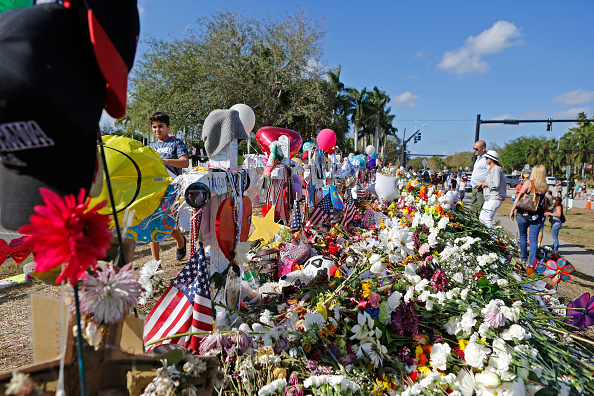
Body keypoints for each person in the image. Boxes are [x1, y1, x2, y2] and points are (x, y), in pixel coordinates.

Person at [148, 111, 189, 261]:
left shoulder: (176, 143)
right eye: (154, 127)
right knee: (153, 222)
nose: (157, 130)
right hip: (153, 188)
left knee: (169, 221)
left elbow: (185, 162)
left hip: (173, 187)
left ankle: (180, 241)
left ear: (168, 127)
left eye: (161, 126)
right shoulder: (149, 146)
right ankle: (156, 263)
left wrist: (164, 161)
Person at [510, 164, 549, 269]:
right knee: (533, 240)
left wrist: (513, 209)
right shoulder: (545, 185)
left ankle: (523, 259)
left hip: (523, 214)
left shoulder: (528, 183)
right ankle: (532, 263)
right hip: (537, 216)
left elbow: (519, 197)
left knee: (523, 236)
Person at [475, 150, 506, 228]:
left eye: (487, 158)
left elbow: (496, 184)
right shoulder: (490, 169)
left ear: (491, 159)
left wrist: (484, 184)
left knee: (487, 219)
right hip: (489, 197)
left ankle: (493, 237)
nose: (485, 159)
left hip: (495, 197)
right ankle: (488, 235)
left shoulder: (497, 169)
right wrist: (481, 183)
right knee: (482, 218)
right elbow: (488, 181)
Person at [470, 140, 489, 214]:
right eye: (474, 148)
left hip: (480, 189)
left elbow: (490, 174)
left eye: (476, 149)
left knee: (479, 210)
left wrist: (482, 183)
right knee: (473, 210)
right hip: (475, 188)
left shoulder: (486, 159)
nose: (474, 151)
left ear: (483, 149)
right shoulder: (479, 158)